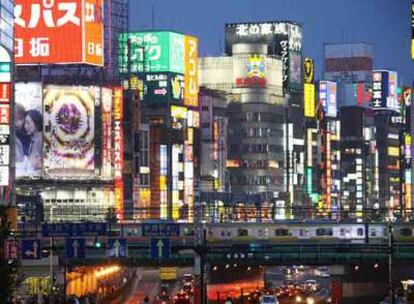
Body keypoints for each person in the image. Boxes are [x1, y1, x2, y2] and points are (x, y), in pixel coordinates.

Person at [23, 109, 43, 175]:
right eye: (25, 123)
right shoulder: (33, 139)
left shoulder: (40, 141)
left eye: (28, 123)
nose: (25, 126)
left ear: (36, 122)